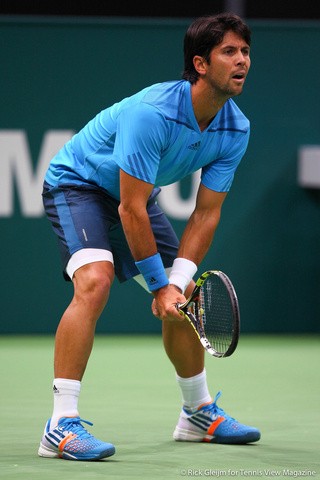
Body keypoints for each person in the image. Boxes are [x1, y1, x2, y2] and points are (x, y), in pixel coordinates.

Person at [38, 13, 260, 461]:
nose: (243, 61)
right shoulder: (152, 113)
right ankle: (60, 425)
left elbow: (205, 214)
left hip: (131, 198)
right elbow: (130, 208)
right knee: (95, 281)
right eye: (229, 52)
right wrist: (159, 287)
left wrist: (177, 283)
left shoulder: (235, 128)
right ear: (200, 64)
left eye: (246, 52)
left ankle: (197, 414)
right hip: (78, 185)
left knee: (190, 296)